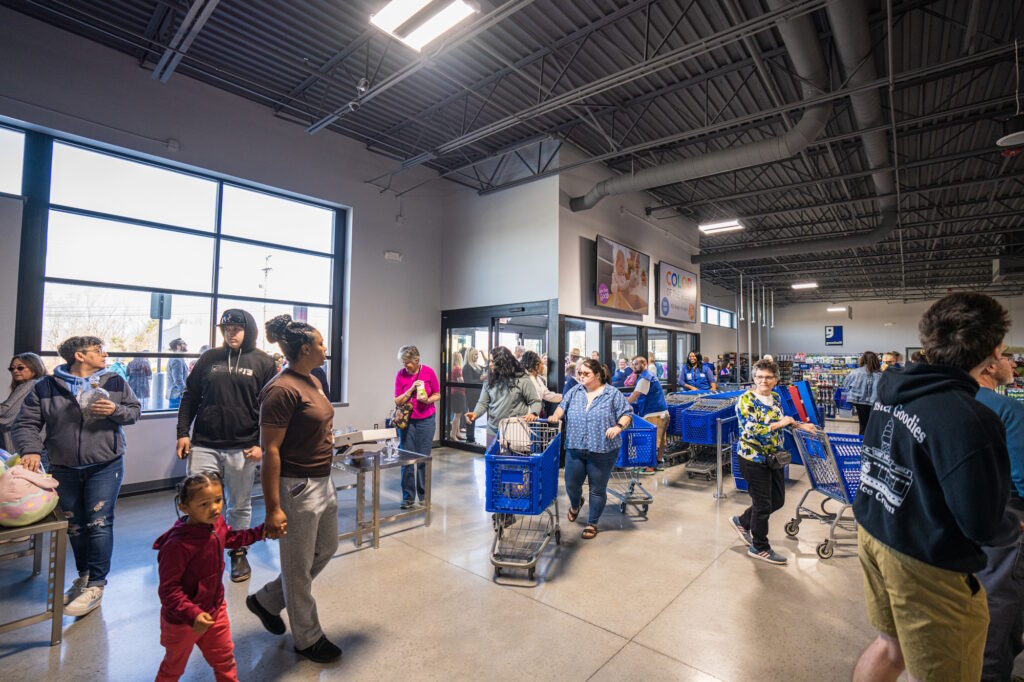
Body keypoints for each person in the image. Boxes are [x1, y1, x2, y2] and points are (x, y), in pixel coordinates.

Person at [853, 293, 1018, 682]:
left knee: (890, 648)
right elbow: (982, 525)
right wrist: (1014, 525)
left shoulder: (892, 392)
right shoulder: (971, 417)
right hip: (923, 557)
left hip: (875, 529)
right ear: (993, 354)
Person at [12, 336, 140, 616]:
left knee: (99, 522)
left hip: (106, 465)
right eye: (98, 351)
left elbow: (134, 412)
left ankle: (96, 585)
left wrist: (115, 411)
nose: (104, 354)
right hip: (64, 468)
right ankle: (83, 576)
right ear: (79, 357)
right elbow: (25, 424)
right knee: (74, 525)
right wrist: (31, 450)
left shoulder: (114, 382)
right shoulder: (46, 387)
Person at [248, 315, 341, 664]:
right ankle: (308, 638)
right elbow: (270, 451)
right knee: (298, 566)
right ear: (305, 349)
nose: (324, 348)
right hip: (297, 485)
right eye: (320, 343)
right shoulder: (280, 389)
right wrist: (274, 508)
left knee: (326, 548)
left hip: (323, 479)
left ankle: (268, 599)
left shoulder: (313, 380)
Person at [175, 309, 276, 583]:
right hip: (204, 443)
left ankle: (238, 551)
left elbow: (270, 408)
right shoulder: (209, 358)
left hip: (243, 447)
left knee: (238, 505)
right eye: (226, 328)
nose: (231, 333)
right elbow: (190, 397)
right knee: (199, 501)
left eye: (236, 328)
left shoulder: (264, 361)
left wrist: (261, 444)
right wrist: (183, 432)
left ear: (249, 330)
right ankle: (200, 550)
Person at [154, 472, 265, 681]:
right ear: (184, 507)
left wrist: (261, 532)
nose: (214, 508)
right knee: (173, 668)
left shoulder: (217, 523)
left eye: (218, 500)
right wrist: (192, 614)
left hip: (215, 611)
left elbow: (231, 538)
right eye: (204, 504)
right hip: (182, 622)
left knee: (224, 659)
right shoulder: (176, 546)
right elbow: (169, 591)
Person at [729, 359, 815, 566]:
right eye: (759, 377)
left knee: (777, 500)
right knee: (762, 503)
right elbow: (751, 429)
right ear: (754, 378)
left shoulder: (775, 398)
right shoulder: (745, 400)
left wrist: (801, 426)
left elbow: (785, 421)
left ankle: (742, 521)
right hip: (752, 458)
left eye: (768, 377)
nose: (763, 381)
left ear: (775, 380)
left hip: (773, 458)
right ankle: (759, 546)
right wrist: (779, 423)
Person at [972, 348, 1024, 681]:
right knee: (1002, 607)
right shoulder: (1009, 410)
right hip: (1005, 516)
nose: (1013, 363)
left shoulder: (939, 405)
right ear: (990, 366)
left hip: (960, 520)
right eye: (1006, 356)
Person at [547, 358, 632, 539]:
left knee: (597, 488)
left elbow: (627, 413)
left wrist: (618, 427)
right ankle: (576, 504)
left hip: (603, 449)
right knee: (571, 484)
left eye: (586, 374)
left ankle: (592, 523)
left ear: (598, 375)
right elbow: (562, 407)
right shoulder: (574, 391)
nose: (581, 377)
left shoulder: (612, 393)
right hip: (575, 446)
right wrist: (556, 416)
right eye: (580, 373)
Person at [393, 345, 440, 509]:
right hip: (407, 423)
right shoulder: (400, 375)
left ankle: (424, 495)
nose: (405, 366)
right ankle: (407, 497)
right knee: (406, 459)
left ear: (416, 360)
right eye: (403, 362)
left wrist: (427, 400)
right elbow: (397, 401)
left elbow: (437, 393)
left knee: (423, 459)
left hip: (426, 421)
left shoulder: (429, 372)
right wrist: (411, 389)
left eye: (407, 362)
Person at [465, 346, 541, 446]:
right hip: (493, 430)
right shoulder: (489, 381)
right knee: (493, 461)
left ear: (503, 363)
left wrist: (534, 413)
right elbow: (483, 403)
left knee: (513, 461)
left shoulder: (521, 379)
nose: (490, 364)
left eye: (493, 361)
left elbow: (535, 401)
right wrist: (475, 413)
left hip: (515, 431)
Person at [627, 354, 669, 472]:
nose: (634, 367)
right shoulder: (650, 376)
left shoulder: (645, 378)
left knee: (651, 440)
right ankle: (659, 462)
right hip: (662, 412)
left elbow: (635, 396)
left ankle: (648, 467)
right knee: (661, 439)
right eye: (633, 364)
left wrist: (624, 402)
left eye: (636, 364)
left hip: (653, 413)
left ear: (644, 364)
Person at [1, 352, 46, 454]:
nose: (15, 371)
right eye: (12, 369)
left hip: (27, 448)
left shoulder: (31, 384)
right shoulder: (41, 384)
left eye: (20, 368)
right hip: (36, 446)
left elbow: (5, 415)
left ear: (35, 367)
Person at [843, 351, 882, 435]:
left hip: (859, 401)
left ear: (863, 360)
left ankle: (861, 441)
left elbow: (846, 384)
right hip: (875, 403)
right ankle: (870, 442)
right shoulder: (880, 374)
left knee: (862, 423)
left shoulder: (855, 372)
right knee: (872, 424)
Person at [521, 350, 561, 415]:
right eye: (541, 364)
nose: (543, 367)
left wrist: (564, 397)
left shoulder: (539, 379)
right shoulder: (526, 379)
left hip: (534, 415)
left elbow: (547, 395)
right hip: (527, 416)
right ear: (535, 366)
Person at [462, 348, 485, 444]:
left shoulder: (477, 366)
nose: (477, 356)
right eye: (475, 355)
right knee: (472, 415)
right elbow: (469, 382)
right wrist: (480, 379)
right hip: (471, 395)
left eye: (477, 355)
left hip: (479, 394)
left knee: (475, 415)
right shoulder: (467, 367)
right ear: (470, 355)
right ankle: (470, 438)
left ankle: (471, 437)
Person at [449, 351, 467, 441]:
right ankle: (453, 434)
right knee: (457, 415)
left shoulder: (453, 368)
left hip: (456, 393)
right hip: (458, 394)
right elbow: (461, 381)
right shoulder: (457, 369)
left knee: (458, 414)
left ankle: (458, 432)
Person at [167, 338, 189, 409]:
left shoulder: (177, 358)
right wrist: (185, 393)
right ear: (178, 346)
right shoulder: (177, 359)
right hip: (177, 395)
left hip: (176, 395)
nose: (186, 345)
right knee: (176, 417)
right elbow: (178, 380)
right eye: (184, 343)